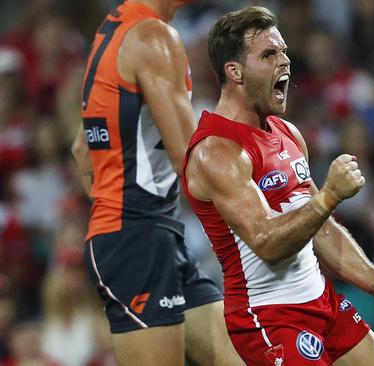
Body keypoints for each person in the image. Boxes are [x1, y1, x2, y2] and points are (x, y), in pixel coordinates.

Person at [181, 6, 374, 365]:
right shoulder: (216, 151)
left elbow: (324, 231)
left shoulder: (286, 133)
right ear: (234, 71)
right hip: (269, 316)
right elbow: (268, 243)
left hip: (321, 301)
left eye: (283, 51)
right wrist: (329, 195)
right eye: (269, 55)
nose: (284, 62)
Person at [70, 1, 244, 365]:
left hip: (148, 233)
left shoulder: (116, 29)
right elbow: (192, 160)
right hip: (138, 239)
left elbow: (81, 149)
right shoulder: (154, 37)